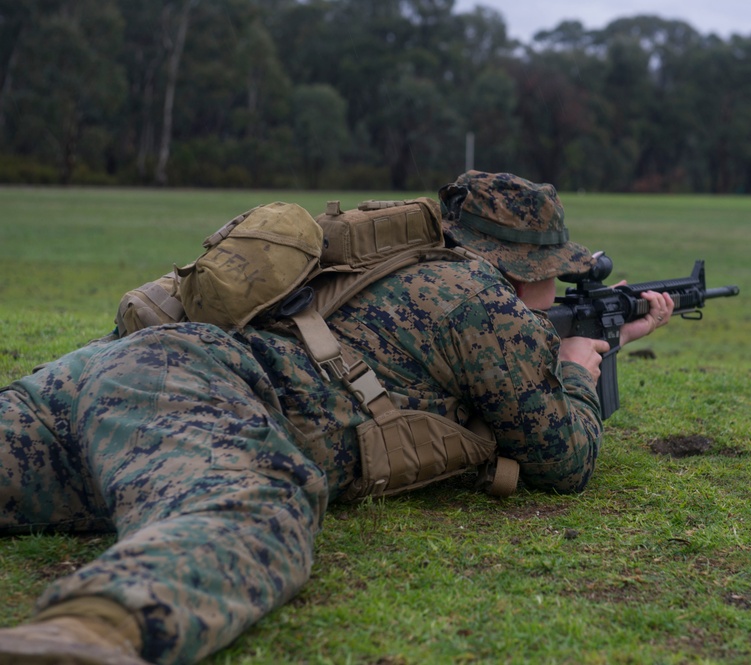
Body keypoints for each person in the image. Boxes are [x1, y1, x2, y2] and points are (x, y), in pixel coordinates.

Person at [0, 171, 674, 665]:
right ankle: (86, 633)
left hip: (109, 375)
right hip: (203, 388)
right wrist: (581, 367)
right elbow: (566, 459)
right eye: (555, 273)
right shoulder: (484, 304)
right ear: (526, 267)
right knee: (250, 507)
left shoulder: (380, 257)